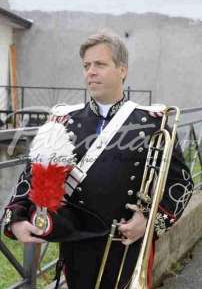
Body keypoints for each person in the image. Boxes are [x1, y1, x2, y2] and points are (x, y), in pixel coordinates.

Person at [1, 31, 193, 289]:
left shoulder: (151, 123)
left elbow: (180, 183)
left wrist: (149, 222)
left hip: (125, 244)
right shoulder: (63, 121)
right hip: (76, 241)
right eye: (86, 66)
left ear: (122, 70)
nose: (90, 72)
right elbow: (32, 177)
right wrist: (16, 218)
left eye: (100, 64)